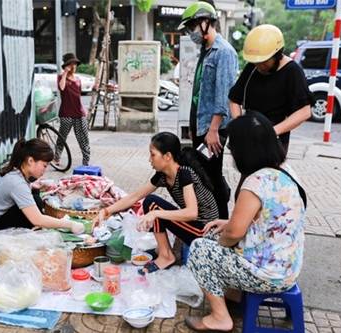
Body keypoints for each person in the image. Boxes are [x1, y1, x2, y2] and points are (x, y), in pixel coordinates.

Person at [184, 112, 306, 332]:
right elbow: (265, 218)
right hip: (287, 266)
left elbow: (232, 235)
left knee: (200, 249)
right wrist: (227, 224)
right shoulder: (286, 172)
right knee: (213, 234)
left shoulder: (256, 181)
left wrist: (217, 246)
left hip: (268, 274)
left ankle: (220, 317)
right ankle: (233, 293)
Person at [95, 132, 218, 274]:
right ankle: (164, 251)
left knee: (153, 205)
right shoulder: (163, 176)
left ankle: (166, 255)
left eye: (153, 155)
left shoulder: (185, 174)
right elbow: (134, 197)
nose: (149, 159)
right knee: (150, 203)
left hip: (206, 231)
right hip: (195, 226)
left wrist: (155, 213)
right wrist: (105, 212)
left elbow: (192, 213)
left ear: (167, 156)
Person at [228, 24, 313, 199]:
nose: (260, 66)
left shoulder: (292, 72)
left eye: (264, 62)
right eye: (256, 62)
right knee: (246, 187)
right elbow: (234, 99)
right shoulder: (253, 67)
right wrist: (240, 126)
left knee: (260, 189)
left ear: (277, 54)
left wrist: (271, 131)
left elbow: (304, 112)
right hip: (250, 138)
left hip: (274, 142)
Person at [177, 1, 238, 219]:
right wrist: (195, 127)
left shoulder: (224, 52)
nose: (190, 32)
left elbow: (224, 96)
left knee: (211, 176)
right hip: (202, 126)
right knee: (203, 174)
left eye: (192, 26)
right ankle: (210, 217)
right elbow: (199, 94)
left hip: (214, 129)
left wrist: (212, 130)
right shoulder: (206, 51)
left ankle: (221, 220)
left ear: (205, 22)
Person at [0, 138, 85, 247]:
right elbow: (37, 219)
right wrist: (71, 224)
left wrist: (35, 186)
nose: (45, 170)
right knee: (36, 204)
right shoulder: (16, 182)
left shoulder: (15, 171)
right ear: (30, 161)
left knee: (35, 195)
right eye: (44, 165)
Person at [56, 53, 90, 166]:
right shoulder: (61, 77)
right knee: (62, 137)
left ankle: (86, 162)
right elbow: (62, 87)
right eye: (71, 64)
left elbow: (78, 97)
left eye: (75, 64)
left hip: (79, 113)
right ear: (67, 65)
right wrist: (65, 73)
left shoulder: (78, 80)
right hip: (66, 113)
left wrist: (83, 109)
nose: (74, 66)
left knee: (83, 138)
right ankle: (57, 158)